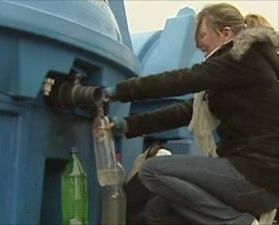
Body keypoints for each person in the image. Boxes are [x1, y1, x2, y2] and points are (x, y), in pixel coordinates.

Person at [103, 3, 279, 225]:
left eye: (203, 35)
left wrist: (118, 91)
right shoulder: (237, 75)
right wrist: (126, 125)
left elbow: (181, 80)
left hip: (255, 176)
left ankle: (237, 222)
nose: (199, 44)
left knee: (153, 170)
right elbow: (184, 112)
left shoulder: (241, 57)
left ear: (225, 33)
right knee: (159, 210)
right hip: (255, 177)